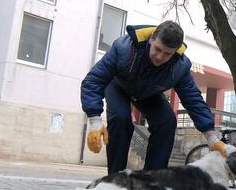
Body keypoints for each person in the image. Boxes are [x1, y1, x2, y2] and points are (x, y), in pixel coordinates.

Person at [81, 20, 226, 174]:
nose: (159, 57)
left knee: (167, 121)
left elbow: (194, 100)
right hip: (118, 85)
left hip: (149, 93)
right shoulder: (124, 48)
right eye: (157, 49)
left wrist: (212, 139)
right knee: (120, 119)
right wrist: (95, 121)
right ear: (152, 39)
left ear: (176, 51)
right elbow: (93, 80)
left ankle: (152, 180)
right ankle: (115, 178)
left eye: (167, 54)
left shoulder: (180, 66)